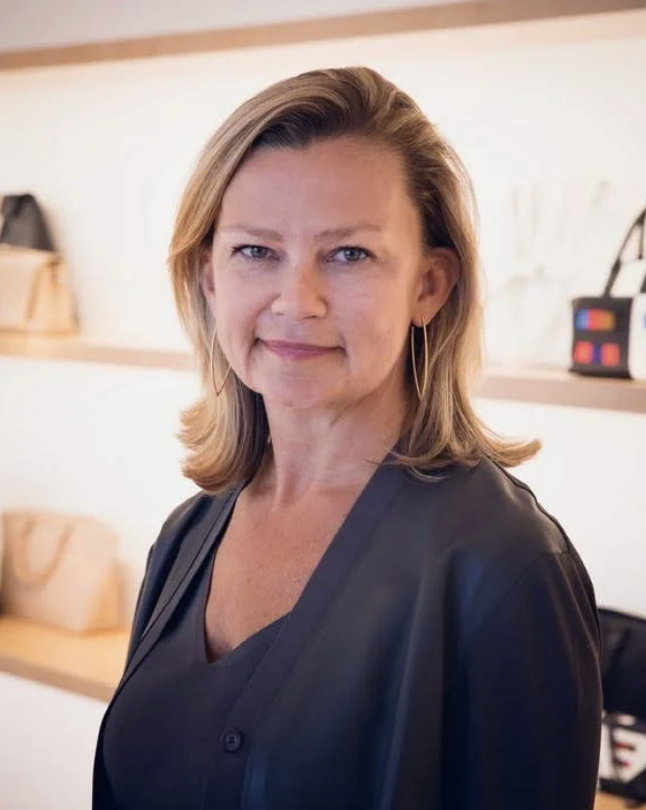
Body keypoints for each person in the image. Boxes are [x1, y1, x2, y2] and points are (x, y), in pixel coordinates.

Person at [93, 66, 602, 809]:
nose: (296, 301)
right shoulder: (188, 533)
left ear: (428, 286)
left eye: (349, 254)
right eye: (256, 251)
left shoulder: (507, 568)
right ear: (209, 279)